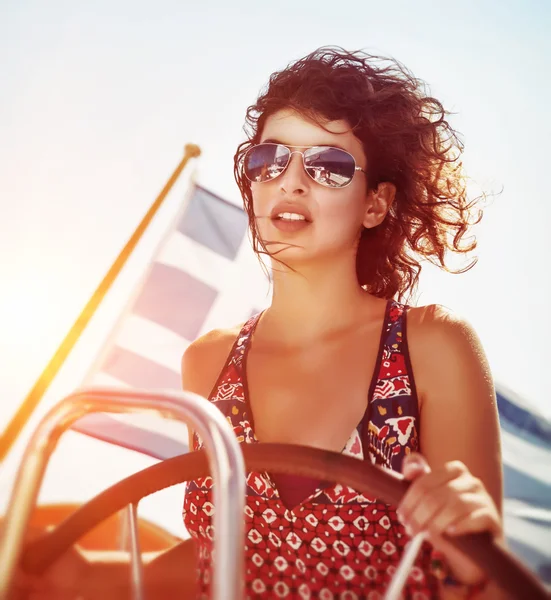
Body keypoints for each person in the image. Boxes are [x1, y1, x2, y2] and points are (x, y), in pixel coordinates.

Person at [12, 46, 503, 599]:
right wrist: (83, 576)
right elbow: (224, 557)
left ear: (375, 204)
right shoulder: (207, 362)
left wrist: (472, 532)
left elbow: (483, 582)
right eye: (270, 159)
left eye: (329, 166)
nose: (290, 181)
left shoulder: (433, 345)